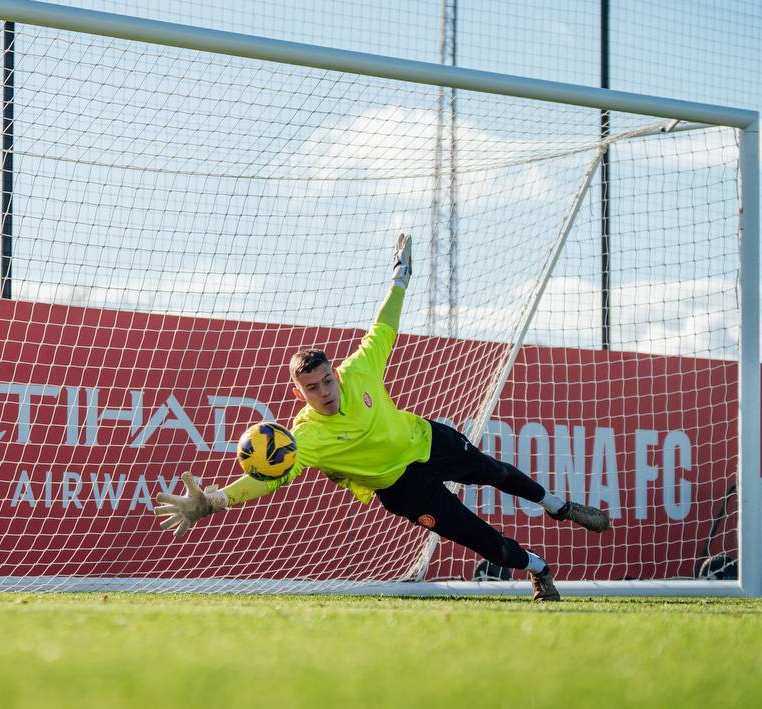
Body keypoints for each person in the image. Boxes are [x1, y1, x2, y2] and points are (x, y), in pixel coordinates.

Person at [153, 233, 610, 601]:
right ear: (299, 393)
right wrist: (214, 500)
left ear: (335, 373)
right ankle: (538, 569)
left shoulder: (360, 369)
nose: (324, 393)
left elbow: (384, 325)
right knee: (476, 536)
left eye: (327, 381)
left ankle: (560, 507)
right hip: (402, 489)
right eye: (312, 388)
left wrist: (400, 277)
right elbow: (267, 479)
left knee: (494, 472)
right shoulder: (304, 437)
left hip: (424, 440)